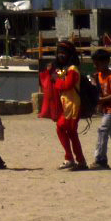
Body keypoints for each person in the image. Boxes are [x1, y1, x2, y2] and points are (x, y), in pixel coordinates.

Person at [39, 42, 86, 170]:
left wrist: (56, 79)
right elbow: (59, 77)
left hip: (73, 106)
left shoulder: (73, 70)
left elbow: (66, 85)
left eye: (64, 53)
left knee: (62, 129)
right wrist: (53, 73)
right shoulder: (65, 69)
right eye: (59, 52)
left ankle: (73, 158)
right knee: (70, 133)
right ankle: (76, 159)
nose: (61, 55)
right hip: (67, 106)